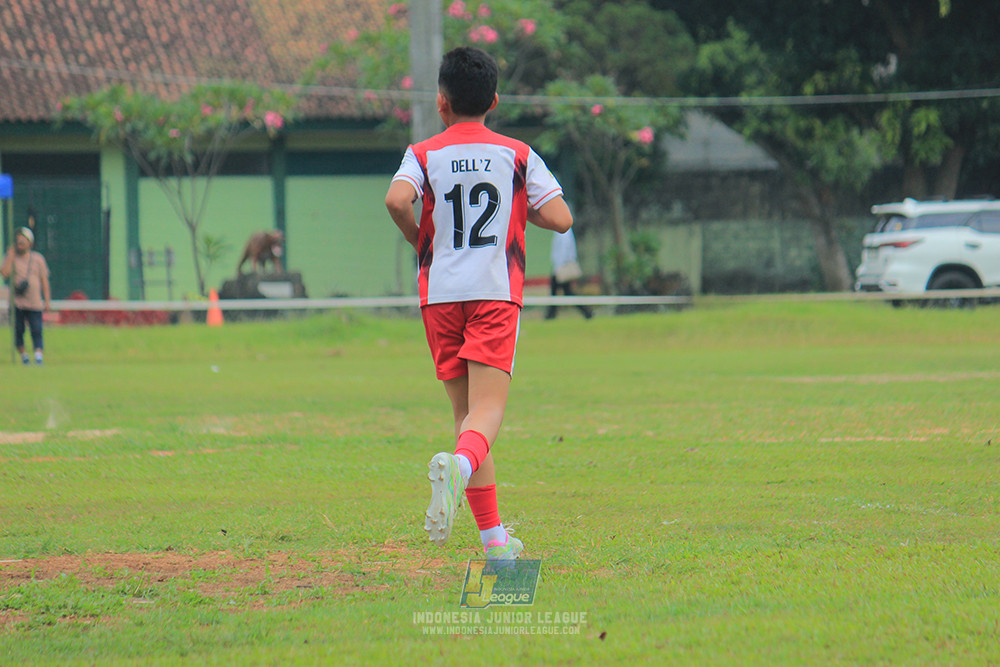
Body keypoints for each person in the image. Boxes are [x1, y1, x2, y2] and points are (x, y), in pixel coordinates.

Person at [385, 46, 573, 561]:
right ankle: (460, 469)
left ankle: (494, 541)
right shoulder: (516, 154)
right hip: (493, 292)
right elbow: (560, 218)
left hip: (440, 294)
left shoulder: (421, 154)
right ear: (494, 100)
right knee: (486, 414)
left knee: (467, 417)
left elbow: (397, 201)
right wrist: (520, 209)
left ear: (441, 103)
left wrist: (420, 238)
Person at [1, 227, 51, 365]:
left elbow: (44, 280)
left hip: (34, 302)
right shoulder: (12, 257)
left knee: (36, 329)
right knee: (18, 330)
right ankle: (24, 356)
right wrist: (10, 255)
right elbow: (4, 273)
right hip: (17, 302)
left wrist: (47, 300)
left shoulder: (38, 259)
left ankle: (38, 356)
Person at [546, 228, 593, 320]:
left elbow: (564, 251)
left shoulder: (563, 232)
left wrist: (558, 267)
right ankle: (586, 312)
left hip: (562, 267)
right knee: (564, 292)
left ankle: (550, 316)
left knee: (558, 292)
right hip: (560, 266)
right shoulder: (562, 231)